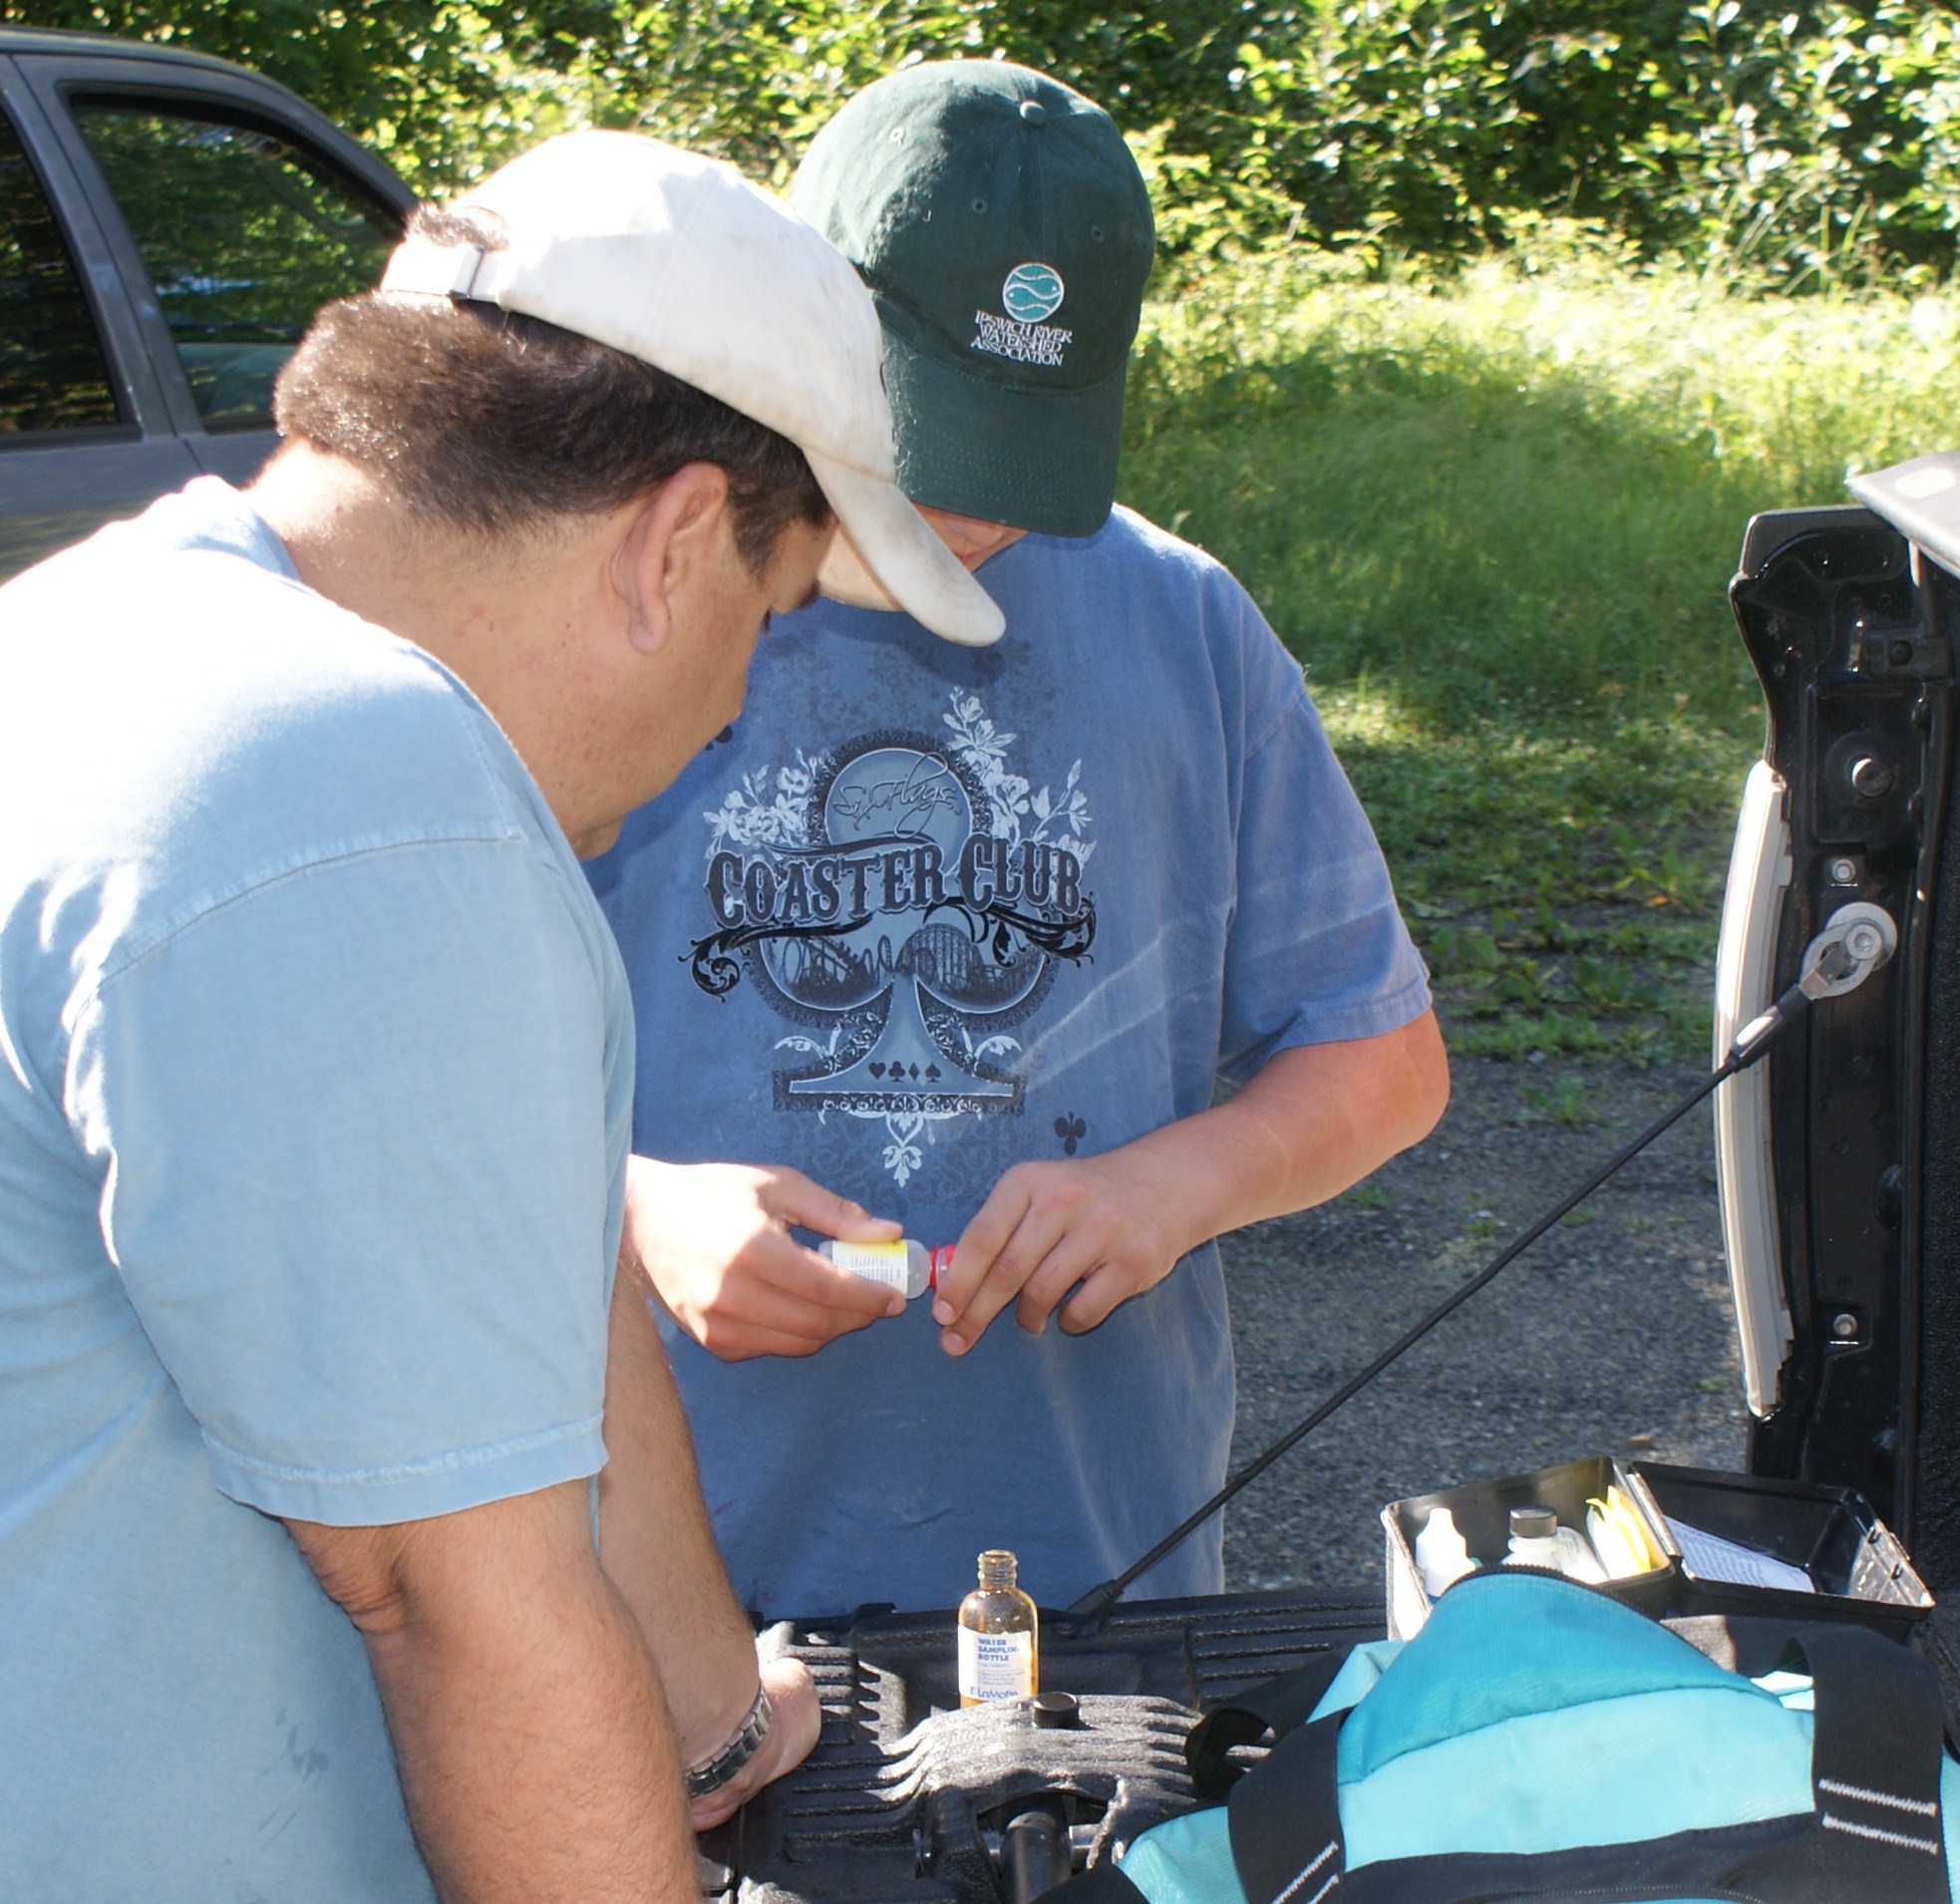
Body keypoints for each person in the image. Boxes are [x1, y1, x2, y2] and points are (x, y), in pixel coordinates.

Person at [0, 133, 999, 1904]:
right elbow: (455, 1596)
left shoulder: (107, 631)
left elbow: (497, 1272)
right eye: (764, 623)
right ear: (673, 538)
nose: (730, 716)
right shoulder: (361, 794)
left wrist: (708, 1716)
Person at [588, 64, 1451, 1623]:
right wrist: (629, 1206)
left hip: (1090, 1567)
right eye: (928, 443)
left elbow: (1380, 1059)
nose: (979, 520)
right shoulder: (617, 604)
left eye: (1025, 454)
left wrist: (1176, 1180)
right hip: (661, 1577)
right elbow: (396, 1094)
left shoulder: (1182, 621)